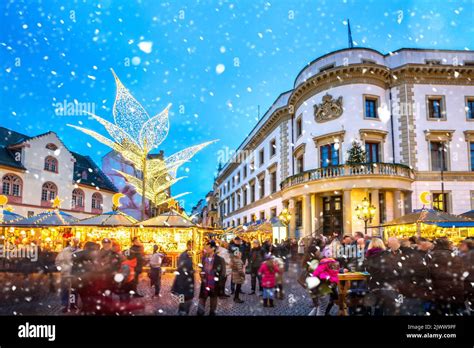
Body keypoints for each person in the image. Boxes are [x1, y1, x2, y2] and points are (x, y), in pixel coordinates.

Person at [427, 238, 465, 315]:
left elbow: (427, 273)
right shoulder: (455, 255)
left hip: (438, 289)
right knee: (454, 310)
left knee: (441, 310)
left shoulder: (430, 255)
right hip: (455, 288)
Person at [197, 240, 225, 316]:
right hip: (205, 282)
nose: (206, 249)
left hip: (214, 283)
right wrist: (201, 274)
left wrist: (219, 283)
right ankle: (200, 313)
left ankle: (212, 313)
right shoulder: (203, 258)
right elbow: (201, 268)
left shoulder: (219, 259)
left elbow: (222, 273)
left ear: (213, 248)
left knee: (213, 300)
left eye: (208, 247)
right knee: (202, 299)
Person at [55, 238, 81, 312]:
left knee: (74, 290)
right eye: (74, 242)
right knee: (65, 290)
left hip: (74, 274)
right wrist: (61, 268)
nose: (75, 243)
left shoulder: (80, 251)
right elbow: (58, 261)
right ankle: (65, 304)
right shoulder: (65, 251)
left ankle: (73, 304)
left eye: (77, 242)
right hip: (66, 273)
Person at [171, 241, 195, 315]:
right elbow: (183, 267)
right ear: (188, 246)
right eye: (192, 246)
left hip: (186, 279)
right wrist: (191, 271)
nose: (193, 248)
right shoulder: (184, 255)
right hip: (184, 279)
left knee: (184, 295)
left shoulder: (188, 255)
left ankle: (182, 309)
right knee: (184, 295)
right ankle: (182, 310)